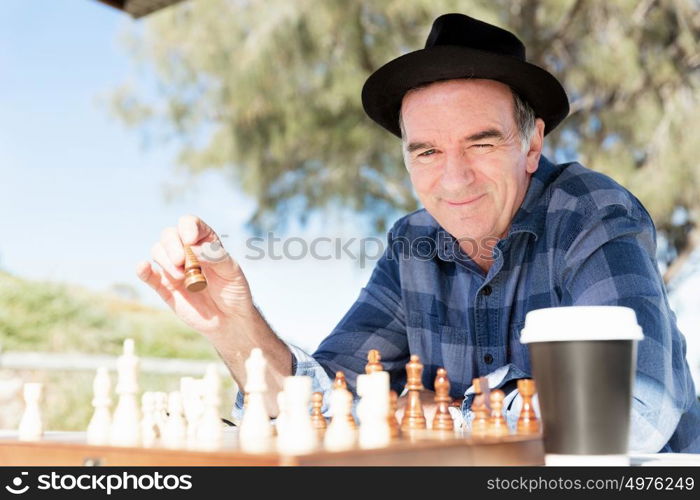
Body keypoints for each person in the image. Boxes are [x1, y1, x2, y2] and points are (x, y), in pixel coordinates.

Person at [137, 13, 699, 453]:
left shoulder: (591, 211)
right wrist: (236, 325)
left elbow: (629, 416)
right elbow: (318, 403)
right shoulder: (413, 243)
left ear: (531, 145)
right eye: (427, 151)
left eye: (481, 142)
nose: (453, 179)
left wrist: (435, 417)